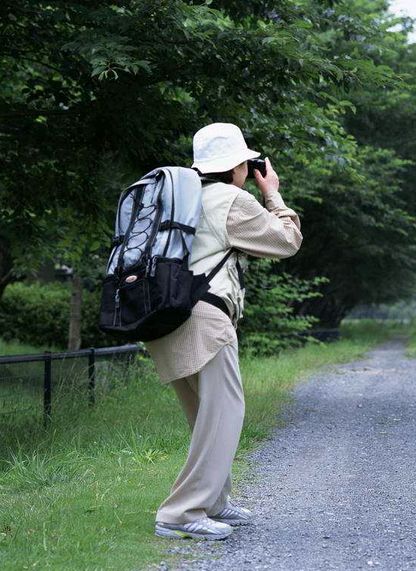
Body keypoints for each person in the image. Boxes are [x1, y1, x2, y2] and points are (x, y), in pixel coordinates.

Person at [145, 123, 303, 539]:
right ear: (237, 165)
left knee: (203, 416)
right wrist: (272, 193)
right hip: (205, 318)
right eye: (247, 164)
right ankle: (182, 512)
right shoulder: (233, 200)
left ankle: (213, 501)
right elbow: (286, 241)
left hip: (164, 316)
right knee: (225, 414)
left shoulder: (176, 197)